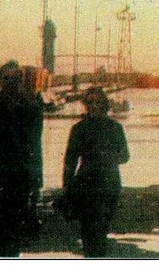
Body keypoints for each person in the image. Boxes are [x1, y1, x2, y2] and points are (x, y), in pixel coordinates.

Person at [0, 61, 44, 256]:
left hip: (20, 173)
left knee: (14, 230)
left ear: (20, 80)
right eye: (7, 78)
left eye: (16, 78)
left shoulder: (31, 108)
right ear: (0, 81)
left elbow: (36, 146)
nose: (11, 83)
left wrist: (37, 182)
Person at [62, 86, 130, 257]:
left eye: (98, 102)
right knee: (89, 231)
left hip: (109, 184)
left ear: (104, 104)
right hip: (87, 183)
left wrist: (106, 158)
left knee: (100, 230)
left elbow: (125, 155)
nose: (94, 105)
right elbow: (70, 160)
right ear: (86, 105)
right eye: (90, 102)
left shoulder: (115, 127)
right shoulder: (79, 128)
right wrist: (68, 188)